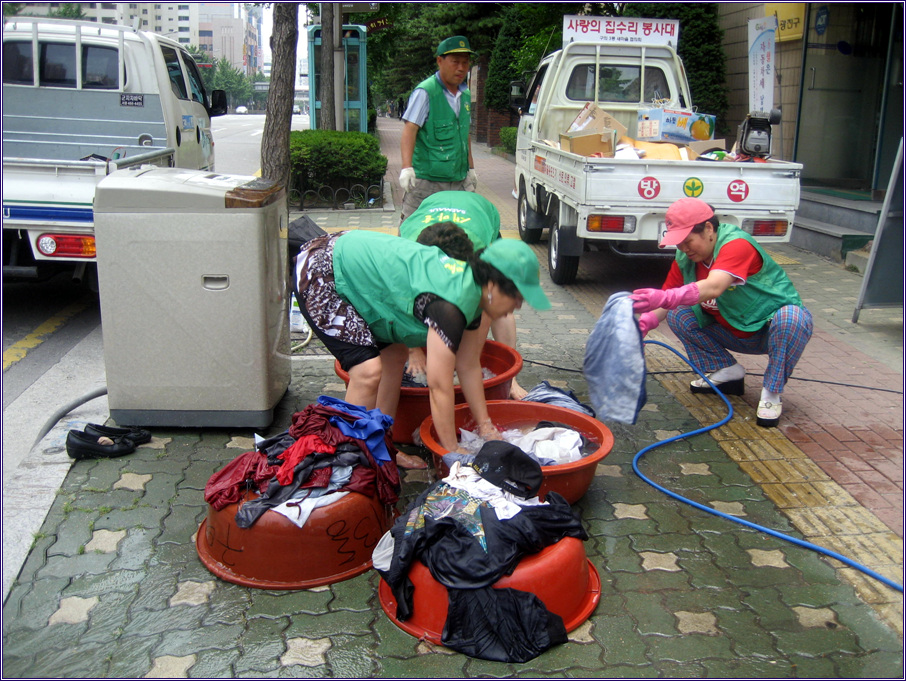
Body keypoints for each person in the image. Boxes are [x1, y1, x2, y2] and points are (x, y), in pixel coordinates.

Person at [293, 229, 551, 467]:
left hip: (357, 265)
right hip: (322, 269)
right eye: (517, 297)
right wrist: (451, 450)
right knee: (368, 371)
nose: (518, 306)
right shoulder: (451, 302)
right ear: (493, 286)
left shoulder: (476, 294)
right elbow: (438, 386)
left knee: (394, 356)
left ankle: (382, 450)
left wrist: (486, 427)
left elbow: (469, 365)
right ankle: (348, 464)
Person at [631, 197, 813, 428]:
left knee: (792, 318)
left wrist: (666, 297)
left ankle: (771, 393)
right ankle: (727, 371)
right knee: (679, 313)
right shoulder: (686, 258)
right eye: (678, 243)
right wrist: (644, 324)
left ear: (708, 228)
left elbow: (714, 286)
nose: (684, 248)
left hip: (769, 331)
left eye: (688, 241)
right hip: (731, 329)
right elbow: (668, 298)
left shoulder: (736, 244)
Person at [400, 191, 529, 399]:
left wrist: (468, 364)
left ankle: (510, 381)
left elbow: (484, 308)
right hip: (432, 205)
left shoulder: (477, 252)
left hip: (480, 213)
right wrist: (414, 351)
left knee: (496, 302)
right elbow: (401, 297)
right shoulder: (409, 251)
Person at [399, 36, 478, 222]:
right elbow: (410, 130)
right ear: (440, 61)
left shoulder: (465, 94)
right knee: (414, 231)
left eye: (465, 63)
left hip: (458, 179)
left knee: (460, 231)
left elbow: (464, 134)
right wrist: (406, 168)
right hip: (428, 182)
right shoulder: (426, 92)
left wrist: (471, 169)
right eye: (455, 62)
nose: (461, 68)